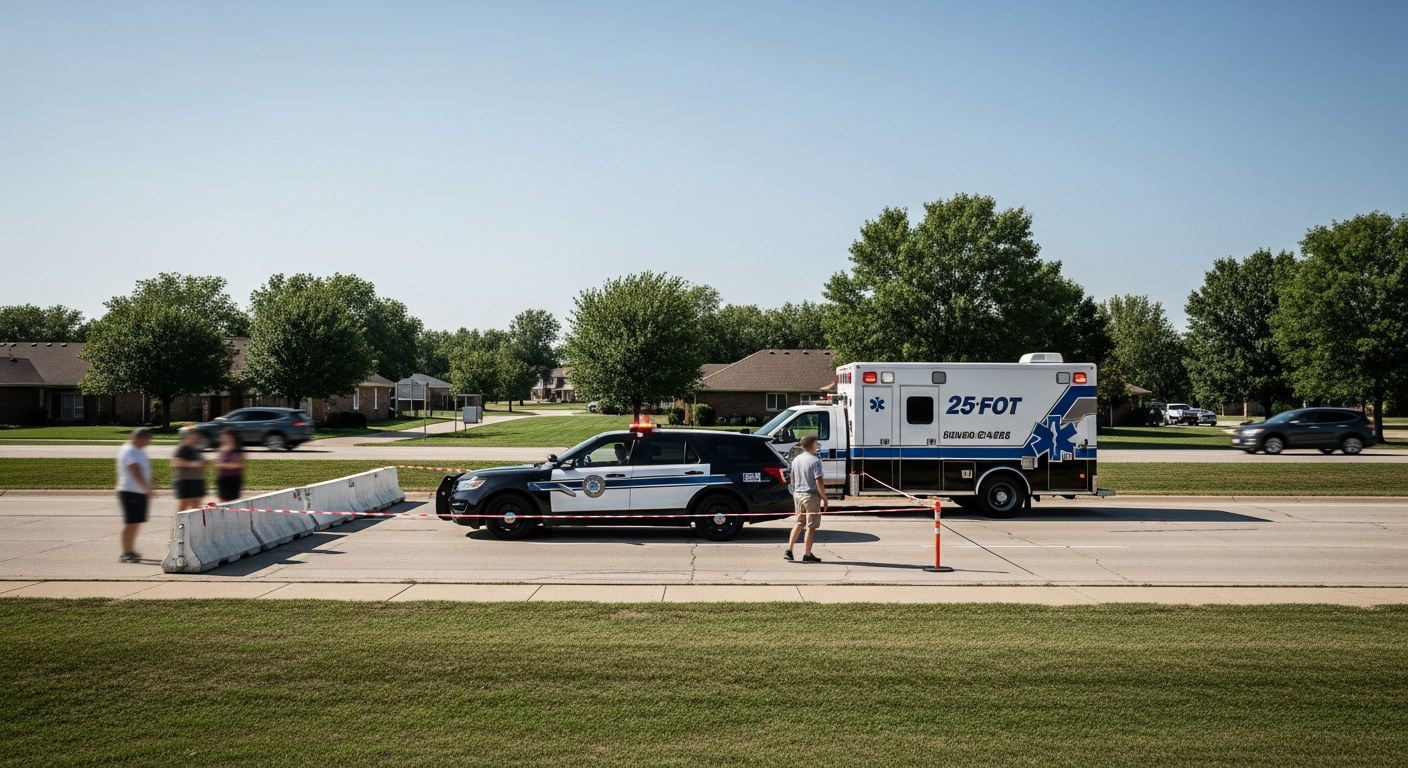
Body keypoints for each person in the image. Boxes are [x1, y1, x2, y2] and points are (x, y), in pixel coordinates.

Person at [784, 434, 828, 563]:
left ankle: (789, 550)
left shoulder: (796, 460)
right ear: (812, 444)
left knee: (799, 522)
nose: (817, 445)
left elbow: (792, 478)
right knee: (811, 526)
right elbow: (818, 480)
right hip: (811, 495)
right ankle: (807, 553)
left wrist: (795, 491)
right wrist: (824, 497)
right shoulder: (815, 460)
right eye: (816, 443)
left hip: (798, 493)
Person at [116, 427, 154, 563]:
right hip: (129, 491)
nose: (148, 442)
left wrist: (149, 486)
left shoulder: (139, 451)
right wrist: (147, 488)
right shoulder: (129, 450)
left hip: (139, 492)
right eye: (147, 439)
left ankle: (130, 550)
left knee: (136, 523)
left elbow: (143, 470)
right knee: (130, 523)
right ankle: (125, 552)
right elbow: (135, 470)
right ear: (139, 438)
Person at [171, 427, 208, 512]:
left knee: (196, 505)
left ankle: (192, 524)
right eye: (195, 435)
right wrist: (194, 465)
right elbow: (175, 462)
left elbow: (201, 462)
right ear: (188, 436)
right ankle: (178, 524)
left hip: (197, 481)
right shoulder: (183, 448)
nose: (198, 437)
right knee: (183, 506)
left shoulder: (196, 448)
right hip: (185, 480)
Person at [215, 429, 245, 501]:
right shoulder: (221, 449)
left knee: (233, 501)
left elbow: (238, 464)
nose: (225, 438)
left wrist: (222, 465)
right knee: (223, 500)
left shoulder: (236, 450)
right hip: (223, 479)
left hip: (233, 479)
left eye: (227, 437)